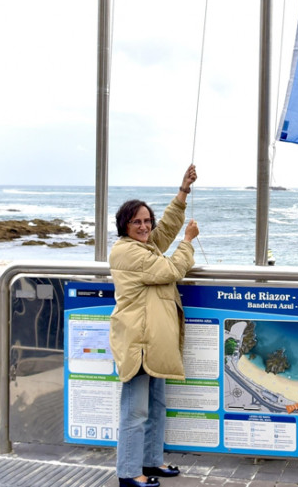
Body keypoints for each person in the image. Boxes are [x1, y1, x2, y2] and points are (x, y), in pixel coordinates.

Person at [109, 164, 200, 487]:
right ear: (125, 226)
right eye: (138, 222)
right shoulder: (127, 253)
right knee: (135, 412)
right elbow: (172, 270)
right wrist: (188, 242)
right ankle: (129, 473)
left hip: (153, 342)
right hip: (139, 343)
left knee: (156, 405)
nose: (145, 226)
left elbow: (164, 233)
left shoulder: (144, 245)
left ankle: (149, 462)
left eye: (147, 221)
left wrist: (183, 191)